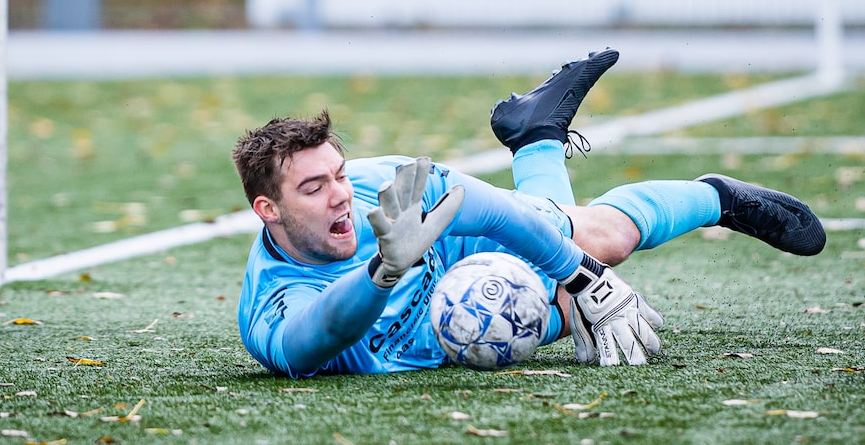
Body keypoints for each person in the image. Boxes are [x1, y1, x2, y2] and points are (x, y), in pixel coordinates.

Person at [232, 48, 826, 378]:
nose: (340, 195)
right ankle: (535, 136)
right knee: (576, 319)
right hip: (459, 323)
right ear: (268, 210)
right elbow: (316, 338)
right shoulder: (269, 307)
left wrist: (581, 274)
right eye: (313, 188)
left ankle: (715, 196)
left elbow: (491, 212)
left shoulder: (385, 188)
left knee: (601, 240)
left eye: (339, 174)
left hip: (465, 249)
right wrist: (385, 271)